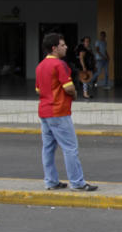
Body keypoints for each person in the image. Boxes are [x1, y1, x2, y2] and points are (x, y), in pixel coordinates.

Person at [35, 33, 97, 192]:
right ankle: (77, 182)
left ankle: (51, 181)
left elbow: (38, 89)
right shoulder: (59, 65)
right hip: (59, 111)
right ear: (54, 48)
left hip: (44, 111)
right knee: (70, 148)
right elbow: (68, 87)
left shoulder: (40, 66)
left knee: (48, 148)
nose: (66, 47)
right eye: (63, 45)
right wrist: (75, 95)